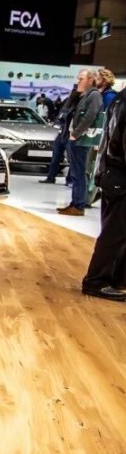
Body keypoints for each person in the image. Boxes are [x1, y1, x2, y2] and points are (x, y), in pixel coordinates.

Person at [82, 86, 126, 301]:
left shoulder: (120, 99)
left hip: (114, 174)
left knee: (118, 233)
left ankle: (115, 280)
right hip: (120, 177)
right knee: (114, 233)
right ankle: (96, 281)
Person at [57, 69, 104, 216]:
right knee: (76, 173)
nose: (78, 81)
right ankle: (75, 203)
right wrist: (75, 93)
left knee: (79, 173)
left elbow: (90, 115)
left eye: (81, 79)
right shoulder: (83, 95)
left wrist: (76, 134)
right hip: (74, 138)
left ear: (90, 80)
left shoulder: (94, 95)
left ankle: (78, 205)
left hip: (80, 140)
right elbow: (66, 109)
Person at [87, 69, 118, 205]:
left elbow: (106, 120)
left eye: (98, 78)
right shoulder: (103, 95)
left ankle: (89, 197)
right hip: (98, 137)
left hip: (100, 138)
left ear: (104, 80)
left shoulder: (109, 97)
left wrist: (100, 140)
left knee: (94, 167)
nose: (95, 80)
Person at [40, 84, 81, 185]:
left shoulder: (80, 103)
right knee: (56, 157)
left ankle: (69, 180)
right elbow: (61, 114)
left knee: (72, 159)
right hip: (62, 132)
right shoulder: (67, 101)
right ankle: (51, 177)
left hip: (70, 133)